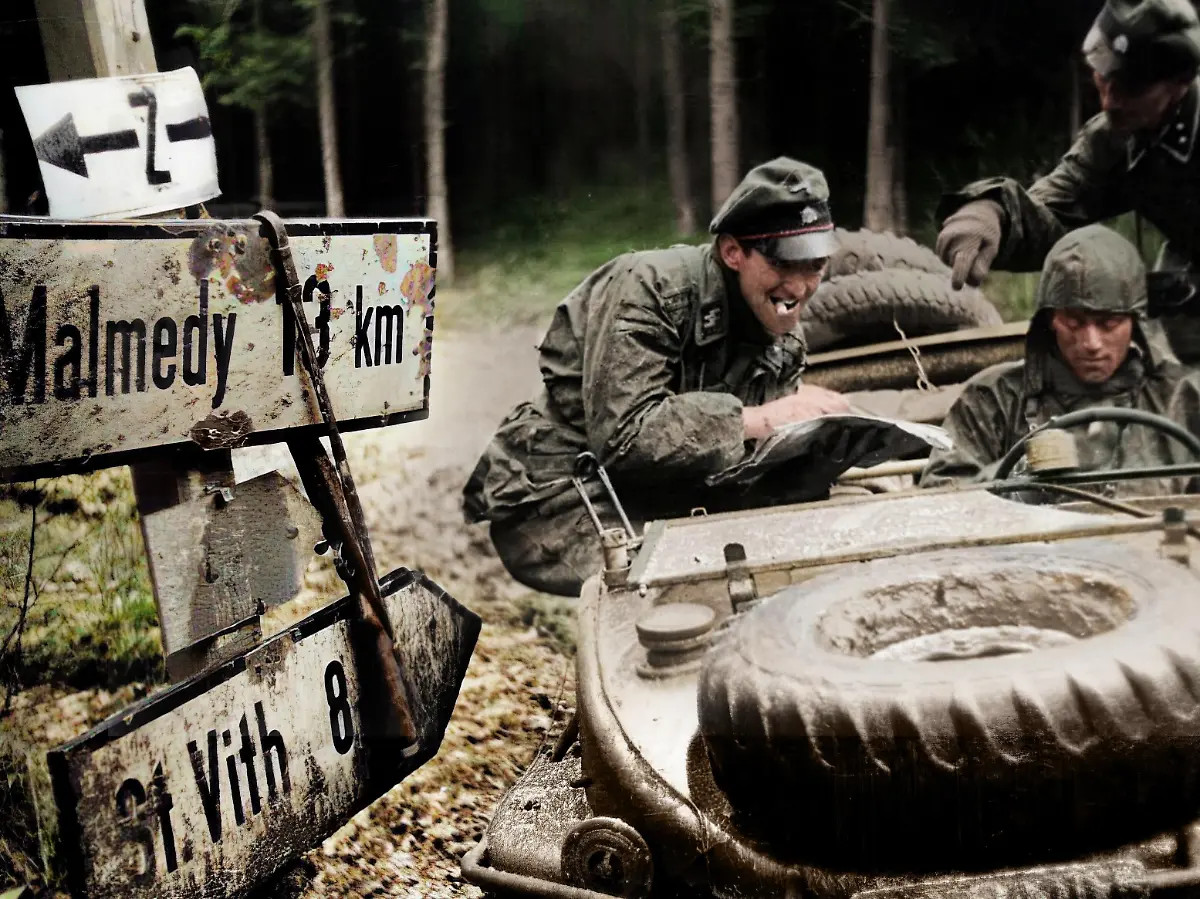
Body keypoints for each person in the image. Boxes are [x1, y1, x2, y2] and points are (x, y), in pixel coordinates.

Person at [462, 157, 853, 596]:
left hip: (675, 493)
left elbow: (751, 460)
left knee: (829, 542)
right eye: (784, 265)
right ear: (732, 253)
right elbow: (625, 437)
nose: (800, 288)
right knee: (692, 593)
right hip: (566, 497)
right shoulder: (650, 289)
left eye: (815, 266)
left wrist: (825, 439)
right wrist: (761, 418)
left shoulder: (781, 334)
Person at [934, 0, 1200, 359]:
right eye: (1105, 76)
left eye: (1131, 88)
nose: (1109, 101)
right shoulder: (1119, 136)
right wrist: (993, 211)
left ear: (1180, 84)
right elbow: (1058, 207)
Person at [921, 224, 1200, 494]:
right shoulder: (994, 399)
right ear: (1050, 321)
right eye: (1074, 322)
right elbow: (941, 501)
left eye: (1108, 323)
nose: (1091, 343)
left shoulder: (1181, 397)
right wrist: (1018, 475)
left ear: (1135, 323)